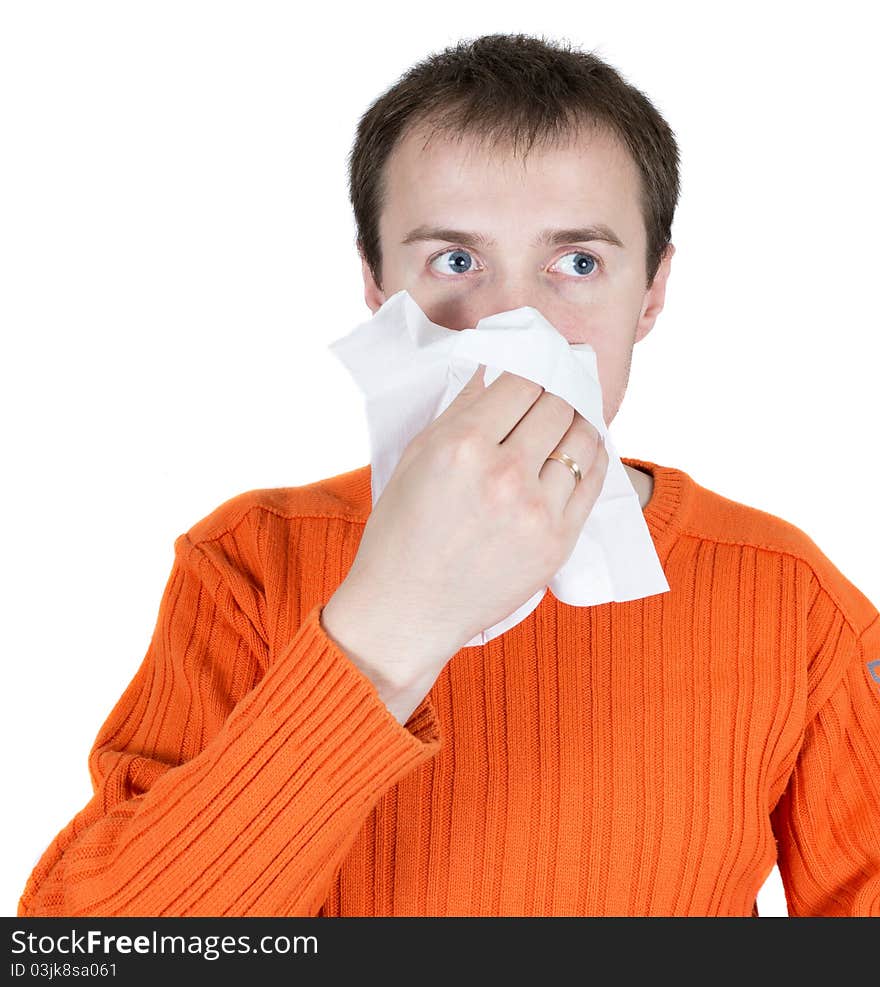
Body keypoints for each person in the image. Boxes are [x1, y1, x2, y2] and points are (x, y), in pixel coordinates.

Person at [18, 32, 880, 918]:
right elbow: (86, 948)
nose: (513, 325)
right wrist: (384, 628)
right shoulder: (247, 563)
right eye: (455, 262)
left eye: (578, 264)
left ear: (652, 292)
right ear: (376, 285)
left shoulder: (792, 595)